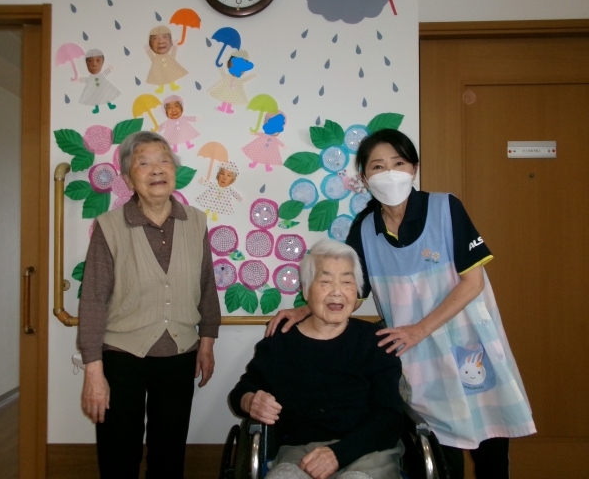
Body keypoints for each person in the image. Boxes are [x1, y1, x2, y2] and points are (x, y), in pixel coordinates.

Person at [267, 129, 536, 479]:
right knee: (440, 455)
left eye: (398, 163)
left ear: (414, 169)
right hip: (419, 359)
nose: (389, 173)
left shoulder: (445, 208)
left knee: (491, 448)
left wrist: (419, 329)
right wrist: (305, 309)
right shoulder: (365, 230)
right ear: (364, 178)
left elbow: (474, 283)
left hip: (470, 346)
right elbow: (352, 291)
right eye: (378, 166)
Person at [77, 131, 221, 479]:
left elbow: (206, 285)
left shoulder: (196, 221)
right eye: (143, 163)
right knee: (118, 454)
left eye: (164, 160)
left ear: (174, 171)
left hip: (180, 353)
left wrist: (206, 343)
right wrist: (94, 372)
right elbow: (93, 299)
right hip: (121, 356)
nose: (157, 169)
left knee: (169, 454)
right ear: (128, 179)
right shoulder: (109, 226)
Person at [231, 240, 404, 479]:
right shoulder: (281, 342)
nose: (337, 291)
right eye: (325, 281)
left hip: (368, 451)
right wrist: (250, 401)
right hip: (301, 453)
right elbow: (243, 390)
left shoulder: (376, 342)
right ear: (305, 290)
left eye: (347, 282)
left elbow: (390, 416)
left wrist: (338, 454)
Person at [145, 25, 188, 94]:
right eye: (155, 38)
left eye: (165, 37)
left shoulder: (169, 57)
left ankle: (173, 85)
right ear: (150, 44)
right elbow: (152, 58)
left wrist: (175, 46)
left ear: (171, 41)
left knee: (170, 76)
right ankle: (161, 88)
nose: (161, 41)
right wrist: (148, 51)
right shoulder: (156, 59)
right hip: (159, 70)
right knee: (160, 77)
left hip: (170, 68)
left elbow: (173, 55)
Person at [78, 49, 120, 114]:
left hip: (104, 88)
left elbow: (105, 73)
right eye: (90, 61)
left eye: (98, 60)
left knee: (106, 95)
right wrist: (79, 80)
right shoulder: (91, 77)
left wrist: (109, 69)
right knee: (95, 98)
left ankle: (110, 105)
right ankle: (97, 108)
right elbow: (87, 80)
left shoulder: (101, 75)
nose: (94, 64)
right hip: (94, 90)